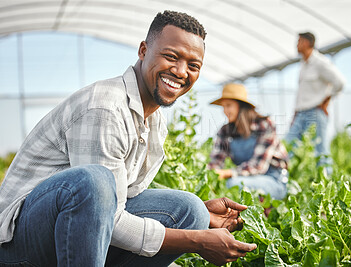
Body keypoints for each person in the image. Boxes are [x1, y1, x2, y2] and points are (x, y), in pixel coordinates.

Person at [0, 11, 257, 267]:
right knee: (95, 181)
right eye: (171, 56)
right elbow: (106, 213)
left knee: (190, 210)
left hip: (73, 228)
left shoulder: (154, 120)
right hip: (20, 242)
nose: (181, 71)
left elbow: (119, 202)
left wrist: (202, 216)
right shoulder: (105, 108)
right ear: (143, 50)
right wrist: (198, 241)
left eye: (193, 65)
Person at [208, 83, 289, 200]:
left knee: (233, 185)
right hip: (246, 178)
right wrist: (210, 174)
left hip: (273, 179)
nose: (225, 111)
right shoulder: (225, 131)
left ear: (241, 106)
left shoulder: (264, 125)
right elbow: (217, 160)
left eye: (229, 105)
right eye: (223, 107)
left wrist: (226, 173)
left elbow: (258, 166)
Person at [285, 32, 345, 164]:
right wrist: (295, 114)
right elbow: (302, 94)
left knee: (320, 152)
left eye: (299, 41)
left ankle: (326, 182)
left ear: (307, 43)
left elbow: (339, 83)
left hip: (315, 112)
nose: (296, 45)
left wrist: (326, 101)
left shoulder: (320, 62)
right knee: (287, 145)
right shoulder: (303, 64)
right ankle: (283, 178)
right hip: (300, 114)